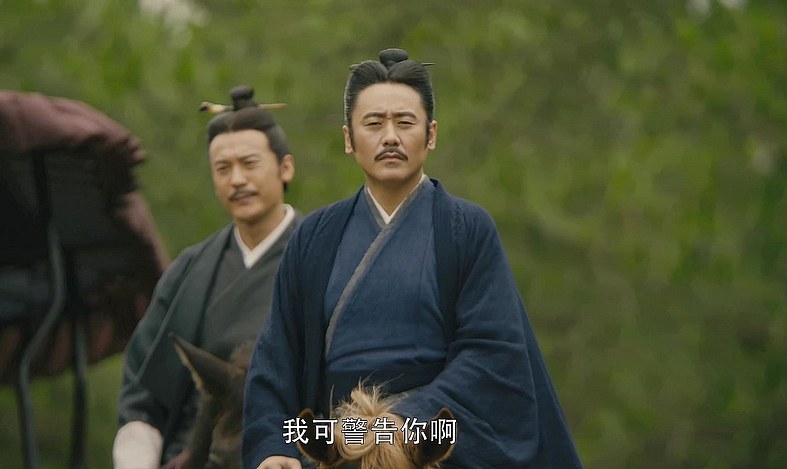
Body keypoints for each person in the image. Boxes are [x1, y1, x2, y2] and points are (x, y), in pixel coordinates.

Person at [242, 49, 582, 468]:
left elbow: (492, 355)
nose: (390, 137)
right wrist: (272, 445)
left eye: (405, 123)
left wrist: (406, 421)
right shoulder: (314, 237)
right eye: (373, 124)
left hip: (431, 438)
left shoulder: (465, 229)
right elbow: (277, 357)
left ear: (431, 134)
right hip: (333, 443)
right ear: (348, 139)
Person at [113, 85, 301, 468]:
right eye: (222, 168)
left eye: (249, 163)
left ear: (285, 168)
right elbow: (142, 399)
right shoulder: (190, 270)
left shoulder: (327, 256)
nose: (236, 179)